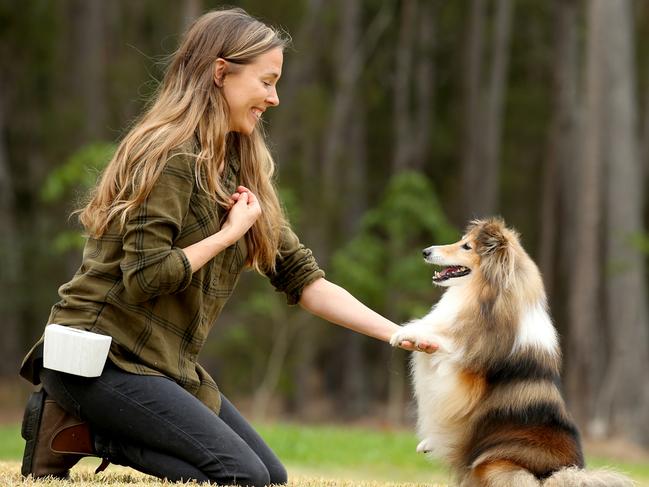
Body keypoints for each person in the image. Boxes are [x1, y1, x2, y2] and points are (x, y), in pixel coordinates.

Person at [19, 7, 436, 486]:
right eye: (266, 81)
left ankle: (91, 432)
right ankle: (86, 433)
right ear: (221, 73)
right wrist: (226, 236)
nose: (274, 98)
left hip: (160, 364)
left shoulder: (239, 168)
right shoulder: (168, 154)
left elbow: (303, 279)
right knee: (243, 477)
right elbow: (146, 276)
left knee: (271, 477)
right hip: (98, 359)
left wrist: (398, 334)